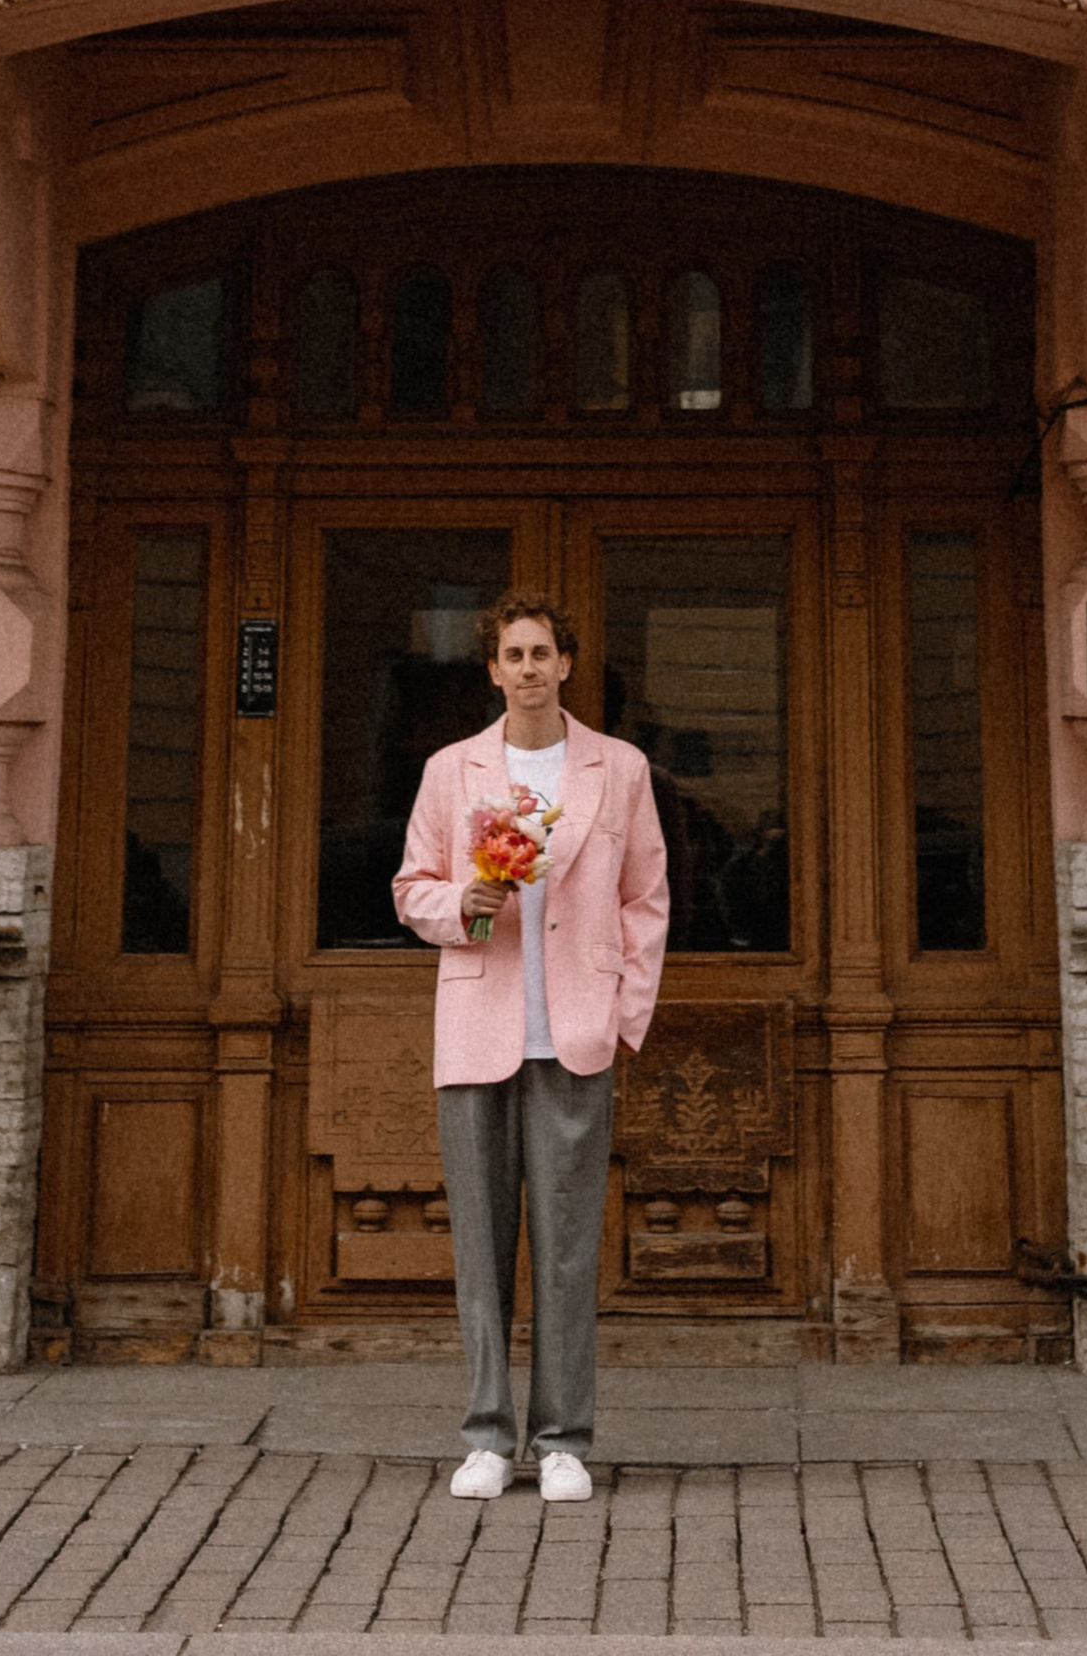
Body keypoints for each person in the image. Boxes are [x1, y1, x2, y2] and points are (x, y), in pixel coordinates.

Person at [395, 587, 669, 1504]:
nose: (528, 669)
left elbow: (646, 899)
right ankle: (486, 1436)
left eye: (542, 653)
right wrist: (460, 904)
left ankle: (562, 1441)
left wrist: (623, 1016)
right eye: (512, 655)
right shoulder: (452, 770)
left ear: (567, 664)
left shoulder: (618, 768)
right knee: (480, 1249)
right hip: (478, 1028)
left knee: (565, 1248)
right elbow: (411, 885)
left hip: (576, 1033)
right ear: (492, 670)